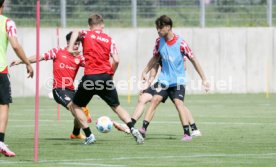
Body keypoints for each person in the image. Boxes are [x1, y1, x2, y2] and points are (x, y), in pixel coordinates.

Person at [10, 32, 129, 139]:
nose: (77, 46)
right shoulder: (57, 52)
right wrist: (22, 61)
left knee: (79, 109)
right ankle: (89, 135)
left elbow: (94, 66)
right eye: (75, 43)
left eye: (79, 44)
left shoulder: (80, 58)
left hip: (72, 90)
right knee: (74, 108)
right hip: (59, 89)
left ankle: (76, 133)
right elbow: (40, 57)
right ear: (68, 42)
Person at [67, 14, 143, 144]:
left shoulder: (86, 34)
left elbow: (75, 32)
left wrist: (70, 48)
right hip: (105, 77)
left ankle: (89, 135)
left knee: (75, 105)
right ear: (102, 25)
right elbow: (117, 60)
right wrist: (111, 74)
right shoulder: (109, 39)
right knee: (117, 106)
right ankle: (133, 129)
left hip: (90, 77)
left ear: (90, 26)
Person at [139, 15, 209, 141]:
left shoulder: (181, 43)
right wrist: (145, 71)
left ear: (168, 27)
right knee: (155, 100)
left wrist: (204, 78)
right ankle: (143, 130)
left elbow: (193, 60)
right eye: (157, 28)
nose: (158, 30)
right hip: (164, 80)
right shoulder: (158, 41)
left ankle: (187, 134)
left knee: (179, 103)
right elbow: (155, 58)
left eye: (160, 28)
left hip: (178, 81)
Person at [132, 58, 202, 138]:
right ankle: (131, 125)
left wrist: (171, 68)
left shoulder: (179, 47)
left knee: (179, 104)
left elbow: (184, 67)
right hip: (163, 81)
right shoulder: (159, 48)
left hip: (176, 82)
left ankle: (194, 129)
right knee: (144, 98)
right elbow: (155, 65)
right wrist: (148, 82)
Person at [0, 0, 34, 157]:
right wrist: (27, 62)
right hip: (0, 70)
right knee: (3, 105)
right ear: (3, 4)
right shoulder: (8, 22)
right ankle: (0, 141)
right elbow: (15, 45)